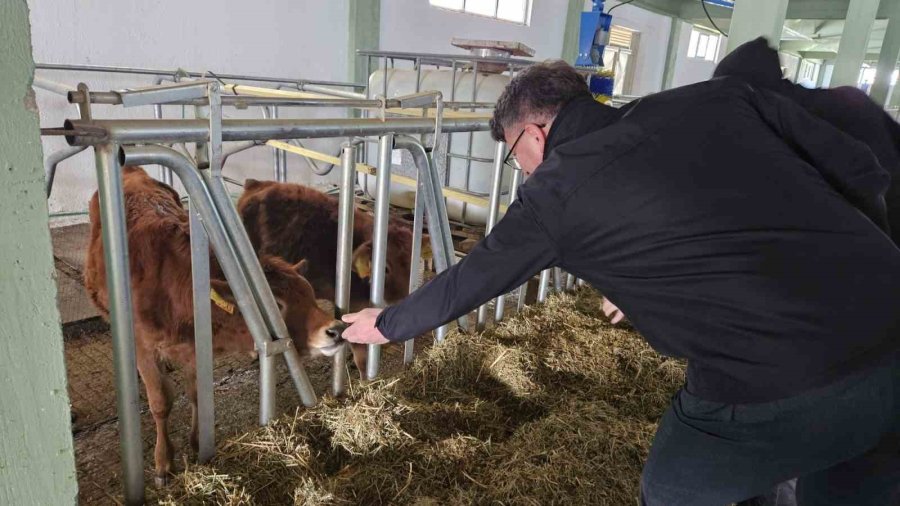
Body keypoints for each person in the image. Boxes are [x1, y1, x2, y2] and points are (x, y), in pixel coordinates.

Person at [341, 60, 900, 504]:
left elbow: (474, 276)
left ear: (534, 134)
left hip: (778, 373)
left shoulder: (556, 193)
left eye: (514, 155)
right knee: (853, 479)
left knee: (674, 489)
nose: (524, 169)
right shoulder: (717, 98)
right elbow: (859, 169)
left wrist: (387, 324)